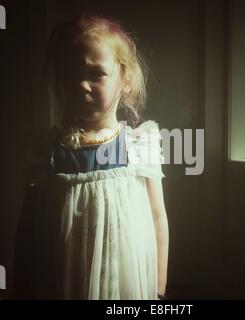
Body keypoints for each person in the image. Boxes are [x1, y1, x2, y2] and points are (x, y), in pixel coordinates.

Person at [14, 12, 169, 300]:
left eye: (96, 74)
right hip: (65, 277)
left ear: (124, 79)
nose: (82, 85)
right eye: (72, 74)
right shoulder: (47, 150)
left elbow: (158, 216)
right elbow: (28, 227)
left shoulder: (139, 145)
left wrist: (159, 284)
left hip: (122, 279)